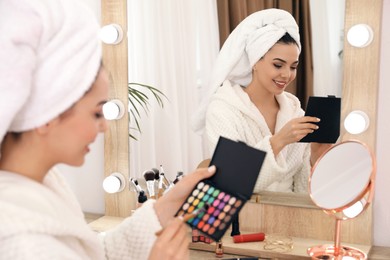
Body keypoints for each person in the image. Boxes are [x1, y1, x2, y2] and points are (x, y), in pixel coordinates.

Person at [0, 0, 215, 259]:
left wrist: (166, 205)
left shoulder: (44, 181)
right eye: (96, 112)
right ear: (47, 114)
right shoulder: (20, 241)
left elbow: (93, 253)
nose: (104, 126)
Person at [192, 9, 329, 193]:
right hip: (244, 216)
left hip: (289, 218)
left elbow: (302, 192)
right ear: (255, 61)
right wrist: (279, 141)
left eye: (293, 66)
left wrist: (315, 156)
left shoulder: (295, 112)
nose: (287, 74)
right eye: (278, 65)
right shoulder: (223, 110)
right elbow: (231, 181)